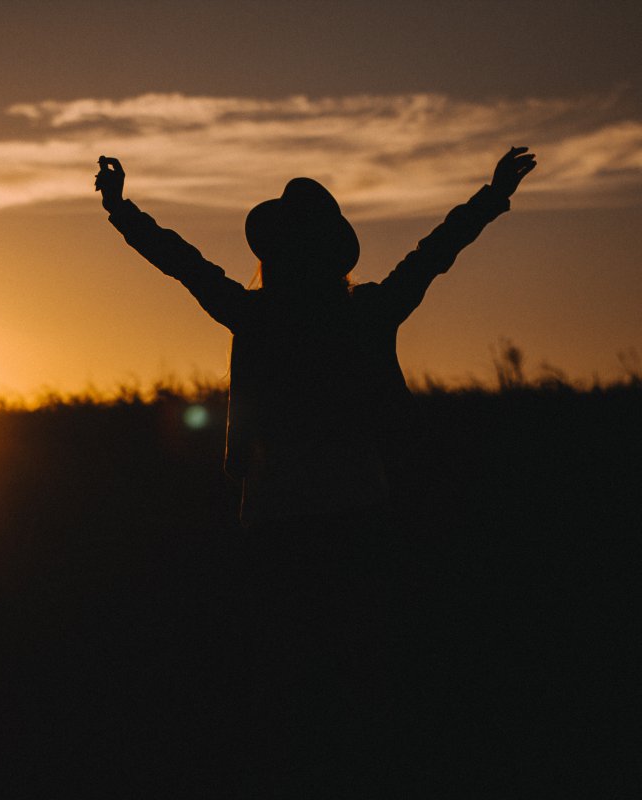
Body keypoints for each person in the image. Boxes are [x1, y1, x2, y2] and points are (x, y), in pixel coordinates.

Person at [95, 147, 536, 789]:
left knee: (288, 677)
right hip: (359, 506)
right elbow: (438, 250)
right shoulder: (364, 312)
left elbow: (181, 262)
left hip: (279, 514)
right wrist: (494, 195)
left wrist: (120, 210)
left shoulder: (256, 313)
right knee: (355, 671)